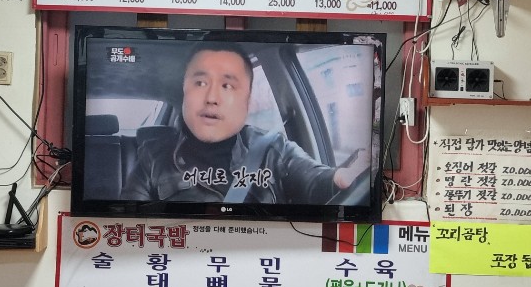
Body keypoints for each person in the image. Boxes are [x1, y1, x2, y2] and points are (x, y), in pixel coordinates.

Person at [120, 43, 370, 204]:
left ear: (247, 102)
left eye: (227, 86)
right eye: (200, 83)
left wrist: (340, 178)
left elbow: (315, 180)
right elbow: (130, 222)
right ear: (184, 94)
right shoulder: (153, 158)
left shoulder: (274, 149)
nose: (212, 98)